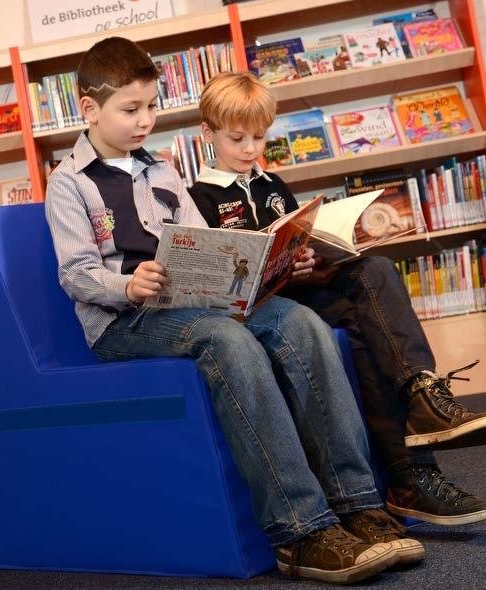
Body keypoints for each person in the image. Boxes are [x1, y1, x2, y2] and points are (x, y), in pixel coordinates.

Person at [45, 36, 424, 584]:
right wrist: (126, 285)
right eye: (131, 110)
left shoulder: (162, 169)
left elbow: (198, 242)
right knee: (227, 340)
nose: (145, 120)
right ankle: (301, 530)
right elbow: (75, 273)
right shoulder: (68, 183)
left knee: (301, 323)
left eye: (152, 106)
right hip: (124, 321)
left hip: (190, 303)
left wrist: (244, 267)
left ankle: (357, 502)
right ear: (89, 109)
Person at [187, 71, 486, 527]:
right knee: (368, 328)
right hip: (262, 315)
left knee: (378, 270)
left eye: (259, 137)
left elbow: (298, 241)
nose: (250, 149)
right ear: (207, 134)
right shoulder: (197, 199)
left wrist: (308, 259)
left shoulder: (272, 185)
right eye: (237, 138)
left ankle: (423, 391)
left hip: (300, 292)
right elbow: (213, 279)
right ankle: (410, 475)